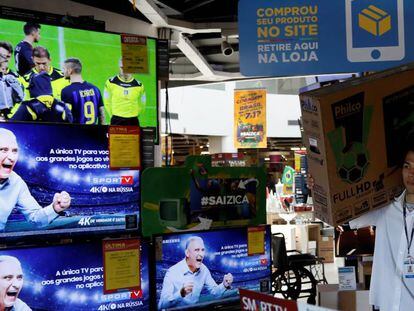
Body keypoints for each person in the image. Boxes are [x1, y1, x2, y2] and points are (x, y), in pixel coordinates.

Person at [308, 139, 414, 311]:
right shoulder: (386, 208)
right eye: (407, 166)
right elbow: (341, 215)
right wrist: (318, 186)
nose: (411, 174)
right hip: (387, 303)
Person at [0, 128, 71, 231]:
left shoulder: (16, 182)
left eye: (15, 151)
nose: (11, 157)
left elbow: (35, 218)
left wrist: (55, 208)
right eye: (4, 150)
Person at [158, 236, 233, 309]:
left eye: (202, 250)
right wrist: (180, 294)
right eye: (197, 250)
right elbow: (162, 306)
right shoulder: (172, 272)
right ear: (187, 253)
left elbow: (215, 293)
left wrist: (224, 285)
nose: (201, 254)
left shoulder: (204, 270)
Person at [61, 58, 106, 124]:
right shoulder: (95, 89)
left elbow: (66, 117)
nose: (62, 72)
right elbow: (102, 115)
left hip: (77, 133)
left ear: (70, 71)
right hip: (92, 133)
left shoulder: (67, 91)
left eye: (64, 69)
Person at [104, 59, 146, 126]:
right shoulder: (110, 82)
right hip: (116, 119)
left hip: (133, 120)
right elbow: (107, 102)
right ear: (119, 67)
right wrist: (113, 115)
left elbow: (142, 104)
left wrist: (135, 114)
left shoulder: (139, 85)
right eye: (122, 67)